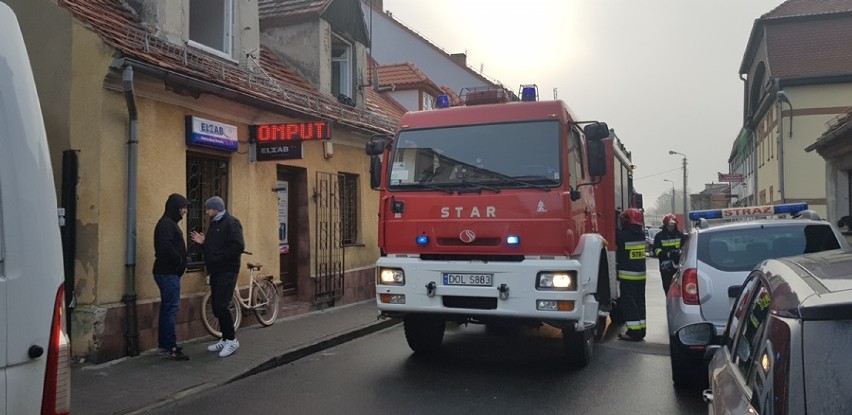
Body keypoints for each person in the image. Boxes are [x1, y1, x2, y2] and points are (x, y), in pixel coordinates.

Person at [190, 196, 245, 358]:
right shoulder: (214, 224)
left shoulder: (231, 223)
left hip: (228, 270)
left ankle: (232, 340)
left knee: (221, 305)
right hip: (216, 270)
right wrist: (203, 243)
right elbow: (213, 247)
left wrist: (218, 256)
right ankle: (225, 337)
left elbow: (238, 246)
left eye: (208, 209)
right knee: (216, 306)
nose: (206, 212)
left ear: (216, 209)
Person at [152, 193, 191, 361]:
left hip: (169, 272)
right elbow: (165, 247)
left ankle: (165, 345)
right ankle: (170, 347)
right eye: (183, 208)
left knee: (168, 308)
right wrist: (179, 259)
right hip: (168, 273)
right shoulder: (166, 224)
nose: (185, 212)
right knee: (170, 309)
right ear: (176, 208)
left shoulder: (169, 223)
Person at [616, 208, 647, 341]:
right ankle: (641, 330)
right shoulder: (641, 235)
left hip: (628, 276)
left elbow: (613, 237)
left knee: (629, 303)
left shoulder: (623, 235)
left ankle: (634, 332)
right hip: (640, 275)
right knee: (640, 302)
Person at [653, 214, 687, 294]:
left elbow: (685, 248)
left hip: (678, 266)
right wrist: (667, 254)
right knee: (667, 288)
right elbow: (656, 250)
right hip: (665, 267)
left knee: (680, 288)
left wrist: (679, 253)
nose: (670, 227)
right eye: (669, 225)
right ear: (665, 225)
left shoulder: (681, 236)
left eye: (672, 225)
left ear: (675, 225)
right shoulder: (659, 236)